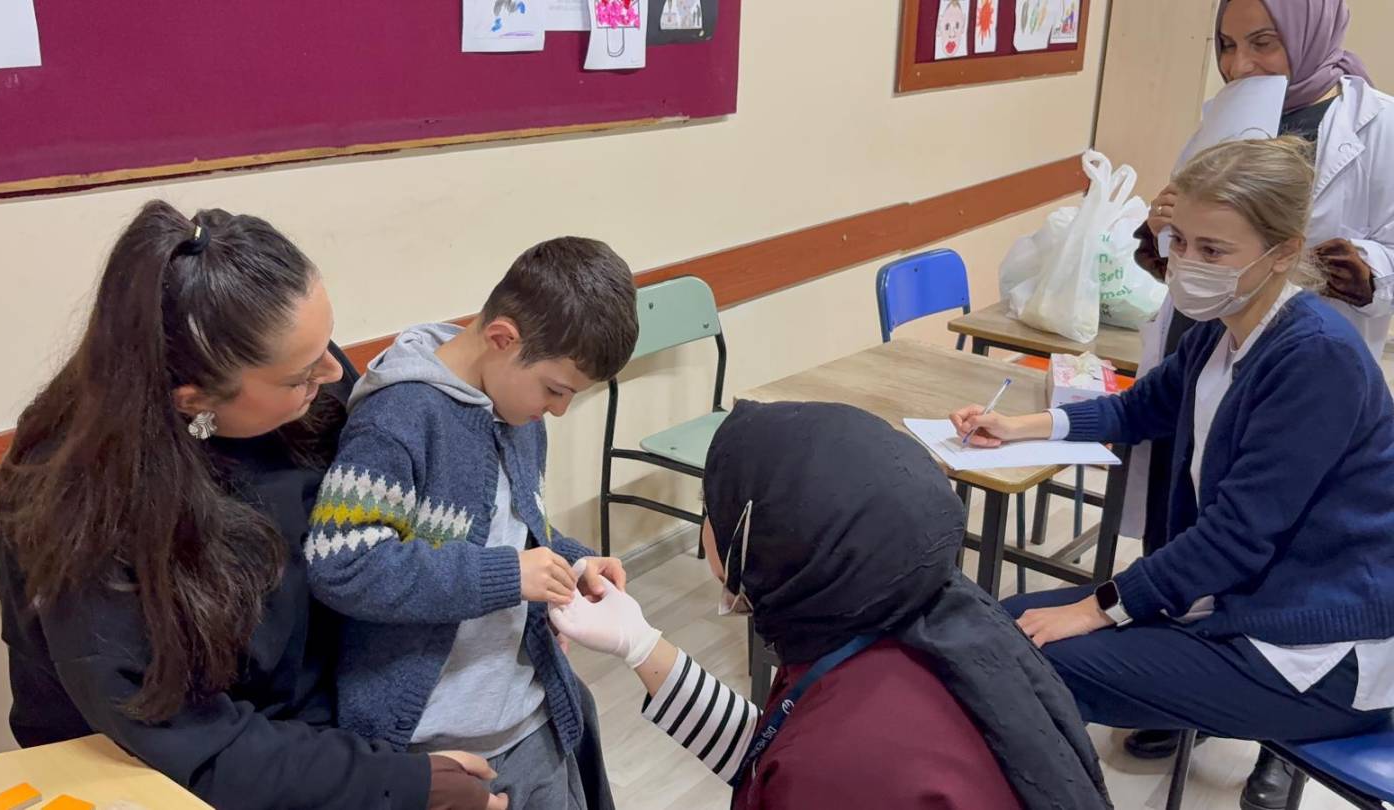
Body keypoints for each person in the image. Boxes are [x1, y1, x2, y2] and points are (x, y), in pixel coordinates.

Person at [0, 201, 506, 809]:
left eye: (327, 345)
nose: (333, 373)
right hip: (160, 772)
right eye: (299, 376)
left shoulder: (312, 391)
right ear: (194, 400)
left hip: (316, 737)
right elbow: (185, 739)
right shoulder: (83, 509)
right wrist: (401, 784)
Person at [960, 138, 1394, 810]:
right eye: (1180, 242)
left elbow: (1235, 537)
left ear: (1284, 252)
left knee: (1026, 657)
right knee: (1000, 625)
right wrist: (1023, 426)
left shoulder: (1314, 358)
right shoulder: (1223, 329)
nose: (1187, 265)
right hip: (1248, 601)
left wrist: (1095, 607)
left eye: (1213, 251)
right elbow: (1140, 408)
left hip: (1317, 649)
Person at [551, 400, 1113, 810]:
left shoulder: (834, 765)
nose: (706, 526)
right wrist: (640, 645)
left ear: (768, 539)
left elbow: (802, 764)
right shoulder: (915, 616)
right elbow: (773, 749)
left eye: (712, 507)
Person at [1126, 2, 1394, 797]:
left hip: (1300, 370)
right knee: (1187, 522)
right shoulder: (1226, 116)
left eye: (1263, 43)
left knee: (1276, 546)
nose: (1241, 65)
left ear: (1312, 32)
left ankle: (1287, 729)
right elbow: (1194, 226)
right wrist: (1164, 242)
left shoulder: (1379, 127)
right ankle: (1179, 693)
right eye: (1227, 46)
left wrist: (1370, 269)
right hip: (1207, 345)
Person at [303, 238, 638, 810]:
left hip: (531, 717)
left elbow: (513, 532)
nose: (559, 410)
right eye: (555, 390)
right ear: (503, 338)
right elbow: (343, 565)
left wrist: (572, 561)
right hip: (435, 747)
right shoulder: (400, 416)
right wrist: (508, 575)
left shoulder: (517, 411)